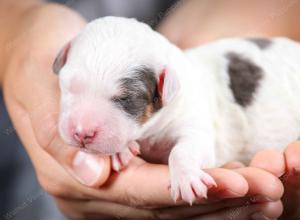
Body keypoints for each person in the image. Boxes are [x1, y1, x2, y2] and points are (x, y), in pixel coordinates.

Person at [0, 0, 299, 219]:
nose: (82, 127)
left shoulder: (187, 95)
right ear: (62, 58)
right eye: (73, 87)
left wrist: (184, 166)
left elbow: (197, 140)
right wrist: (18, 28)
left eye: (121, 100)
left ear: (164, 89)